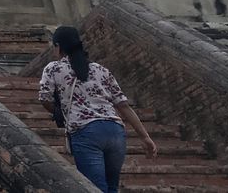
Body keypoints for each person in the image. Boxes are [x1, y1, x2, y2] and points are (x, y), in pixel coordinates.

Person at [38, 25, 157, 192]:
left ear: (58, 47)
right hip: (115, 131)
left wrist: (60, 113)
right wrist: (145, 137)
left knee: (95, 188)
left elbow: (44, 98)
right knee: (112, 188)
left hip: (86, 132)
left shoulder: (53, 68)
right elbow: (123, 105)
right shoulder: (101, 70)